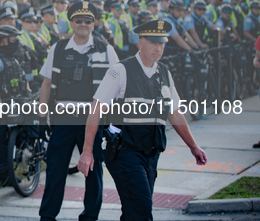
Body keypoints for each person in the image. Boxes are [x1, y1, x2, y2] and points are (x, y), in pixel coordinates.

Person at [78, 20, 207, 221]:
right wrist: (87, 152)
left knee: (134, 210)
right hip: (125, 152)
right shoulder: (120, 71)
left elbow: (174, 113)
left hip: (151, 153)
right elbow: (96, 110)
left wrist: (194, 146)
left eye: (162, 43)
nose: (159, 48)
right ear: (141, 42)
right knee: (142, 208)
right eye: (153, 43)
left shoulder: (164, 72)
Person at [37, 1, 118, 221]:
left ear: (94, 23)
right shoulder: (59, 48)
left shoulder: (106, 49)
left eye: (87, 21)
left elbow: (119, 87)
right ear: (71, 22)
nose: (83, 24)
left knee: (93, 172)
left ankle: (90, 216)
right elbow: (46, 83)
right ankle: (47, 216)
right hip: (63, 118)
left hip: (92, 119)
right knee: (55, 170)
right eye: (78, 20)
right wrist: (42, 116)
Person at [0, 25, 30, 186]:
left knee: (15, 137)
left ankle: (13, 167)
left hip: (16, 103)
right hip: (1, 105)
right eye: (13, 39)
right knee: (2, 140)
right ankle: (2, 174)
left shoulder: (13, 57)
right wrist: (0, 105)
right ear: (3, 40)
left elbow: (22, 79)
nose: (16, 42)